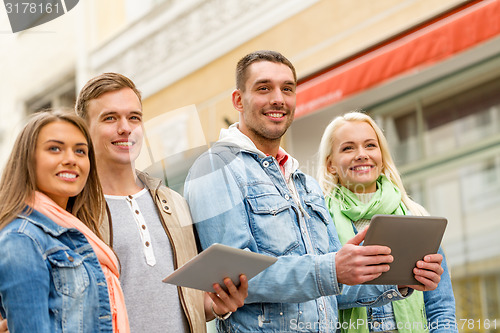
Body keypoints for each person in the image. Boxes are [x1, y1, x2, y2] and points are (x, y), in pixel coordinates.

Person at [184, 50, 444, 332]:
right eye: (263, 88)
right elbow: (233, 277)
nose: (278, 99)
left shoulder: (304, 183)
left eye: (287, 89)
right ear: (238, 100)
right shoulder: (214, 168)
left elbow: (332, 288)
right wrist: (332, 269)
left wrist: (398, 282)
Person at [75, 72, 248, 333]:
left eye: (134, 117)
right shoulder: (73, 210)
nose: (125, 127)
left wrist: (217, 304)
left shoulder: (174, 203)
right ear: (84, 131)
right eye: (110, 118)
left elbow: (193, 300)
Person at [317, 110, 457, 332]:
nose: (361, 154)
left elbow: (440, 306)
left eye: (370, 145)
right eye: (348, 148)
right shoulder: (319, 222)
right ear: (330, 165)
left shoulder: (414, 216)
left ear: (381, 158)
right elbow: (318, 301)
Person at [0, 110, 128, 332]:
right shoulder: (22, 238)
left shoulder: (78, 234)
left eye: (80, 151)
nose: (71, 159)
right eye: (55, 148)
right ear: (28, 158)